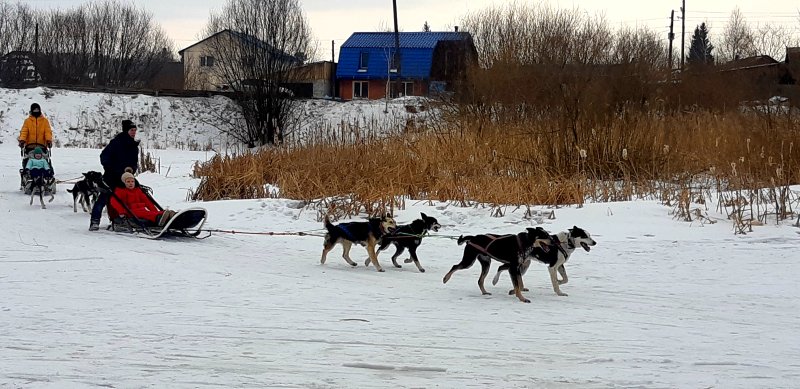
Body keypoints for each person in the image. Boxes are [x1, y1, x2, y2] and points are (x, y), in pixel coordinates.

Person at [90, 119, 140, 231]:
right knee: (103, 198)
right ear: (126, 130)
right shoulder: (116, 143)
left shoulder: (133, 146)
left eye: (135, 130)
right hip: (111, 177)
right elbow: (104, 157)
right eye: (132, 130)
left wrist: (131, 169)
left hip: (125, 178)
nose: (134, 132)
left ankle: (123, 219)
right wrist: (111, 169)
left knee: (128, 198)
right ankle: (94, 221)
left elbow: (134, 162)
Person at [109, 172, 175, 227]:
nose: (130, 183)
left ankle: (169, 216)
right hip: (130, 212)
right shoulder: (121, 191)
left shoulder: (138, 191)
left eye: (132, 181)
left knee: (150, 212)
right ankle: (158, 218)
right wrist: (121, 212)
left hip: (141, 209)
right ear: (124, 183)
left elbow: (147, 202)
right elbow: (114, 201)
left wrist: (155, 210)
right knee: (147, 214)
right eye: (128, 182)